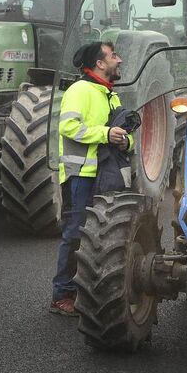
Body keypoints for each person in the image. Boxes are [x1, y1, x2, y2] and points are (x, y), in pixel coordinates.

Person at [49, 41, 132, 316]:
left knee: (100, 235)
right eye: (113, 56)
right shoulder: (80, 90)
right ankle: (63, 294)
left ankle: (87, 294)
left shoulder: (110, 95)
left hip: (103, 174)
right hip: (80, 175)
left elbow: (121, 133)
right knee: (75, 235)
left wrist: (125, 141)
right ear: (99, 63)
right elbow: (68, 127)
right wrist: (105, 134)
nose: (118, 60)